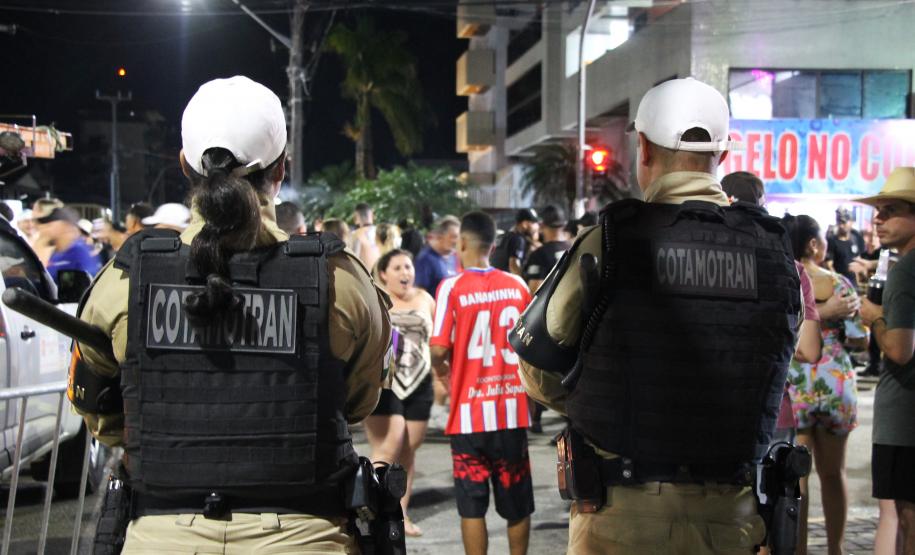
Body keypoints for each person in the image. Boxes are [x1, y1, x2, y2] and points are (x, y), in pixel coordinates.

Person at [71, 76, 392, 553]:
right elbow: (357, 403)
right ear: (281, 168)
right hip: (306, 537)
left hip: (160, 536)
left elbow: (101, 413)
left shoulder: (124, 281)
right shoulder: (340, 279)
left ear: (184, 165)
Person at [512, 77, 803, 554]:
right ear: (723, 154)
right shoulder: (774, 252)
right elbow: (774, 363)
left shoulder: (608, 241)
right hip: (733, 518)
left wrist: (601, 398)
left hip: (621, 518)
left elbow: (538, 368)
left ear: (643, 148)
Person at [430, 211, 534, 555]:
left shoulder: (451, 287)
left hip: (468, 415)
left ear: (462, 243)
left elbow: (438, 348)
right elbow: (533, 346)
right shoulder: (517, 286)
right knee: (517, 504)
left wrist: (441, 371)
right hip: (511, 412)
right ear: (493, 245)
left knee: (472, 507)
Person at [783, 214, 865, 555]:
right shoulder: (840, 284)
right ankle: (836, 549)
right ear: (813, 244)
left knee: (796, 480)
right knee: (834, 474)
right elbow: (859, 339)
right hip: (835, 384)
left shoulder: (785, 279)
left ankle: (798, 549)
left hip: (796, 383)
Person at [857, 167, 915, 555]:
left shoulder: (905, 272)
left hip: (904, 419)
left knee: (908, 516)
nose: (878, 219)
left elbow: (898, 349)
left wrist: (873, 316)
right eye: (878, 211)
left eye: (890, 210)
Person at [364, 248, 435, 538]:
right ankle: (373, 512)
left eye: (408, 266)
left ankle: (401, 515)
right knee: (389, 444)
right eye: (397, 268)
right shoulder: (375, 298)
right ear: (383, 274)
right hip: (385, 382)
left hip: (419, 381)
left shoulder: (425, 299)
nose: (405, 272)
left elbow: (436, 340)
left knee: (409, 449)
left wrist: (443, 377)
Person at [37, 207, 101, 282]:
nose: (44, 229)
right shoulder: (57, 253)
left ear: (64, 226)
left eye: (49, 225)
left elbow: (87, 282)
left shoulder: (79, 251)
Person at [522, 205, 570, 294]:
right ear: (564, 224)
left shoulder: (539, 255)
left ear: (542, 225)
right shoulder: (573, 247)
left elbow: (534, 292)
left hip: (552, 303)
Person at [414, 215, 460, 295]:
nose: (457, 241)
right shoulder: (425, 259)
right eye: (453, 237)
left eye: (458, 237)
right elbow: (419, 293)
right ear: (440, 237)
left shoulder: (454, 257)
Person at [491, 209, 540, 275]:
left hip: (493, 278)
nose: (537, 226)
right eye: (534, 223)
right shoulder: (518, 239)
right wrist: (523, 280)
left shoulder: (502, 236)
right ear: (525, 224)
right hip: (505, 280)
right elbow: (514, 267)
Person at [827, 207, 867, 284]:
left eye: (844, 222)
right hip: (839, 283)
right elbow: (829, 265)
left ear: (851, 222)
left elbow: (858, 258)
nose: (841, 225)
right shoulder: (832, 240)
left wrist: (863, 274)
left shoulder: (856, 237)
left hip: (854, 282)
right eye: (839, 222)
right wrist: (838, 282)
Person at [350, 202, 381, 270]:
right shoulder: (383, 232)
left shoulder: (355, 235)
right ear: (372, 216)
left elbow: (353, 261)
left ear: (356, 217)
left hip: (365, 274)